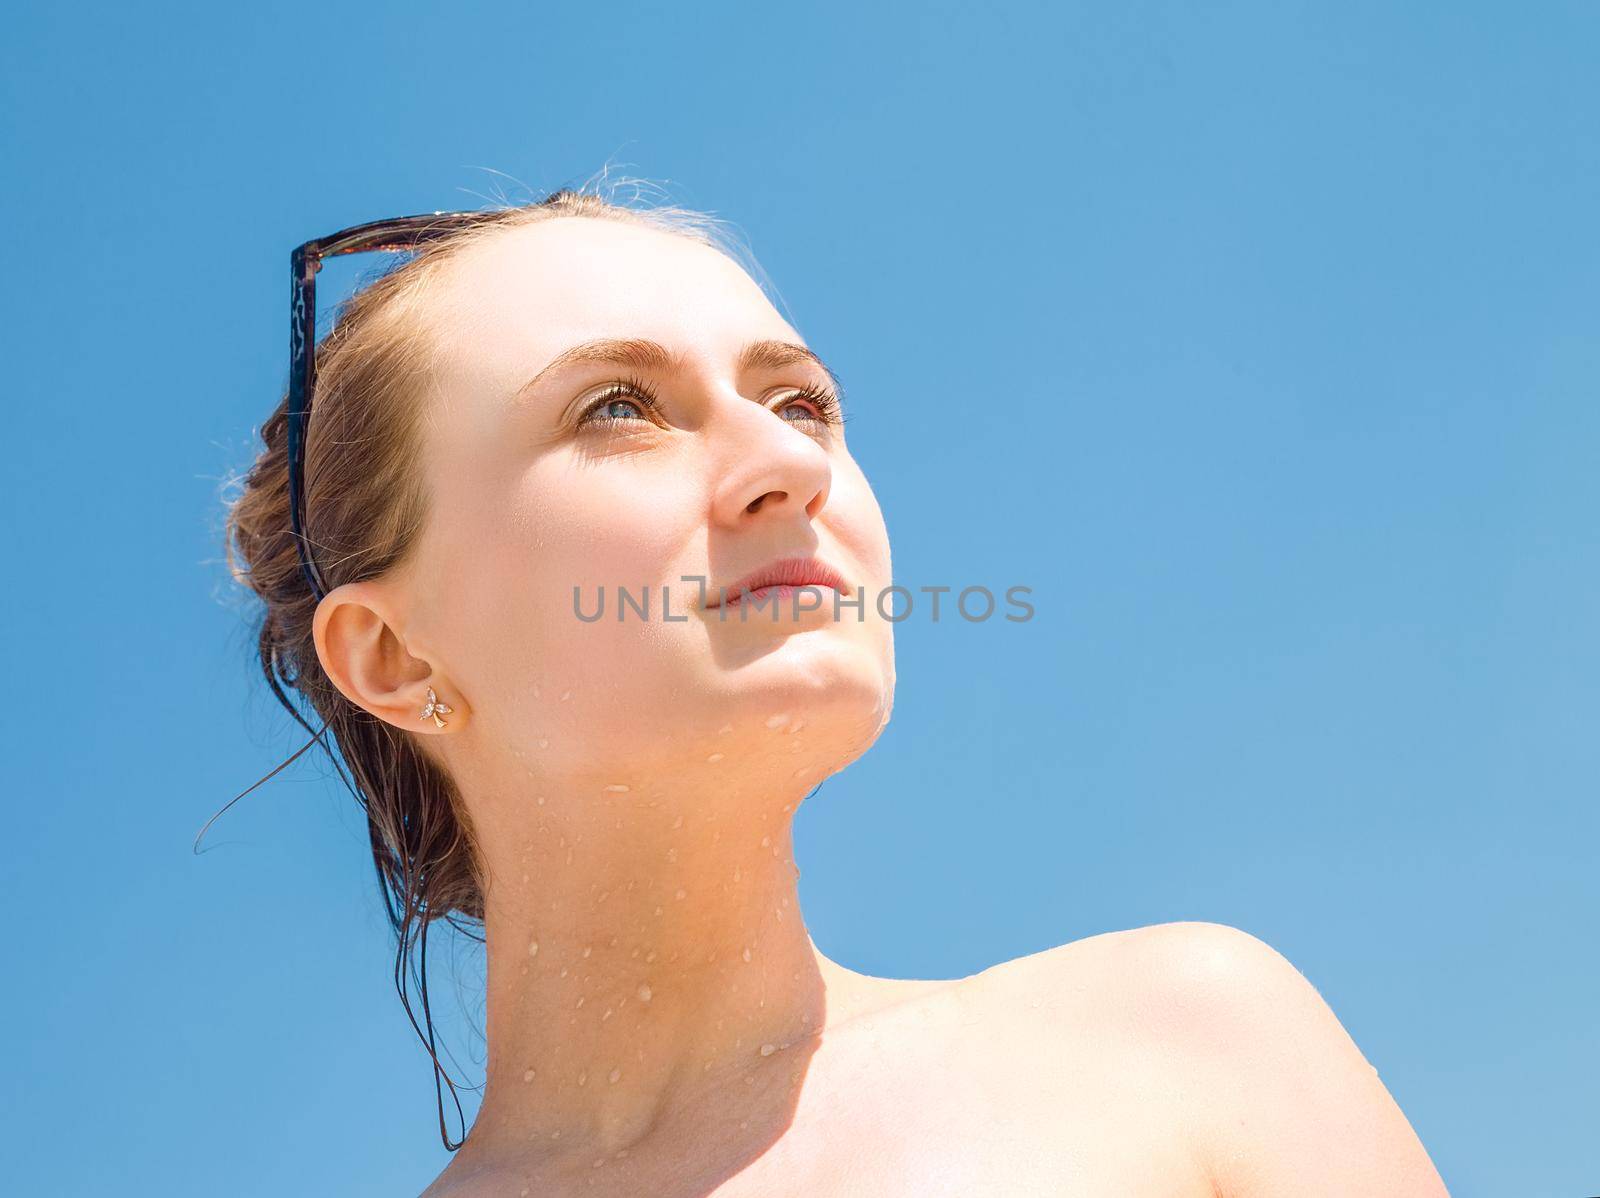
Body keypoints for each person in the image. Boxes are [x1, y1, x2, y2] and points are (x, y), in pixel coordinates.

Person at [221, 186, 1451, 1196]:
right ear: (394, 656)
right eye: (617, 407)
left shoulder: (1178, 1047)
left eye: (799, 400)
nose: (787, 463)